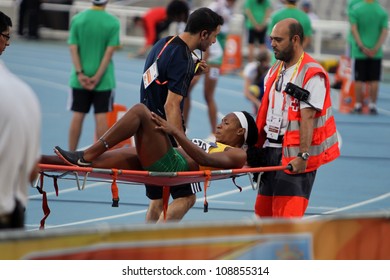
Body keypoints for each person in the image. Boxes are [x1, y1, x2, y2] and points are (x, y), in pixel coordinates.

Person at [52, 104, 259, 219]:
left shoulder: (237, 154)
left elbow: (203, 158)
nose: (219, 125)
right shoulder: (215, 143)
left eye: (226, 122)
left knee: (142, 112)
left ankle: (87, 154)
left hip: (173, 165)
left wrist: (175, 132)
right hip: (167, 156)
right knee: (91, 163)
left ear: (240, 131)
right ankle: (40, 161)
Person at [140, 7, 223, 222]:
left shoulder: (164, 43)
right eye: (214, 36)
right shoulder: (184, 59)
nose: (214, 42)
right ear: (204, 34)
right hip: (163, 135)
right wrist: (180, 145)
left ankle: (142, 247)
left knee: (158, 200)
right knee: (186, 198)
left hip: (144, 132)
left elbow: (161, 76)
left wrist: (191, 70)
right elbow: (171, 105)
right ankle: (156, 249)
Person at [250, 18, 340, 218]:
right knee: (262, 215)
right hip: (271, 150)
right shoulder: (275, 69)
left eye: (278, 40)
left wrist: (303, 156)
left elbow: (308, 118)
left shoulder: (312, 74)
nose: (272, 44)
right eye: (271, 39)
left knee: (286, 219)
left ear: (295, 40)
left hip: (295, 156)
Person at [0, 11, 41, 230]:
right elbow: (32, 171)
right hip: (8, 218)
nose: (7, 44)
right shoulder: (25, 95)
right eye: (7, 37)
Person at [67, 0, 120, 151]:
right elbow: (109, 52)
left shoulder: (78, 19)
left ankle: (70, 153)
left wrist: (80, 73)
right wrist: (97, 77)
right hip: (104, 80)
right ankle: (103, 156)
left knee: (78, 114)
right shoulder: (113, 22)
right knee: (101, 116)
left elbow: (73, 47)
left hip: (79, 79)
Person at [183, 0, 237, 141]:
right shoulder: (215, 8)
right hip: (209, 56)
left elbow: (208, 47)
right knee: (187, 91)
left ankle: (214, 133)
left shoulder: (220, 9)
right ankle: (184, 127)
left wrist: (198, 71)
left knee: (207, 95)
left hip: (214, 59)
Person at [349, 0, 388, 115]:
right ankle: (372, 105)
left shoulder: (356, 9)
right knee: (374, 79)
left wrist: (362, 46)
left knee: (358, 79)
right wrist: (376, 48)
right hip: (376, 52)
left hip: (360, 51)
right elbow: (384, 31)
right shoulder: (382, 11)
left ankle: (358, 105)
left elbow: (354, 29)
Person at [242, 49, 271, 114]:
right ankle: (256, 105)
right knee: (254, 89)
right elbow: (246, 93)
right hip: (254, 87)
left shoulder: (268, 68)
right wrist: (258, 103)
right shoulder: (251, 69)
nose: (269, 62)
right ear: (264, 61)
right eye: (268, 60)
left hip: (261, 87)